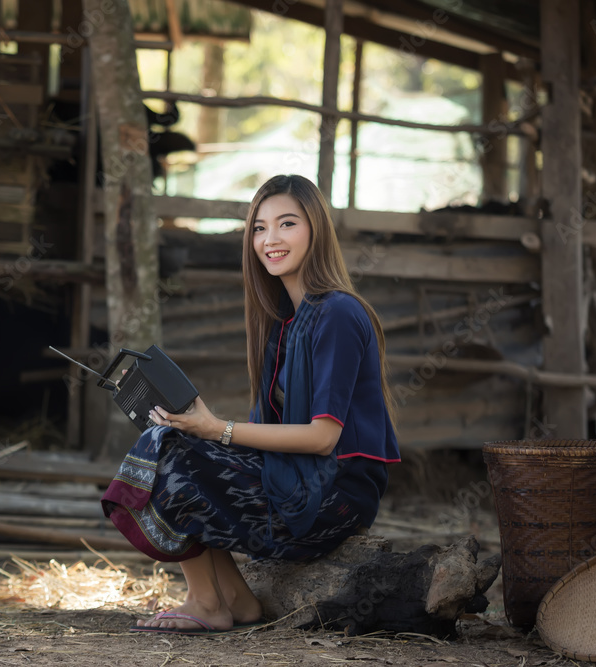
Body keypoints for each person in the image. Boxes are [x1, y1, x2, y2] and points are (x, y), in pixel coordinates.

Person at [100, 174, 400, 635]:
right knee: (171, 437)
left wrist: (215, 429)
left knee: (179, 454)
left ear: (315, 229)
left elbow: (323, 438)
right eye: (259, 228)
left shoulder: (339, 313)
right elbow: (259, 437)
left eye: (286, 224)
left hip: (335, 494)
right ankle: (236, 599)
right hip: (294, 477)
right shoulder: (283, 325)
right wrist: (195, 422)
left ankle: (206, 601)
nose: (270, 240)